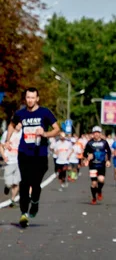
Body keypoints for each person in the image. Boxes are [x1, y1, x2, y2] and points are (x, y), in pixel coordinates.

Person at [5, 87, 61, 228]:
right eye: (28, 97)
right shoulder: (20, 113)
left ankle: (34, 203)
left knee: (35, 184)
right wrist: (7, 139)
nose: (30, 100)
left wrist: (45, 134)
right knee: (24, 183)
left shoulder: (45, 112)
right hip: (24, 153)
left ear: (37, 98)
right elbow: (11, 125)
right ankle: (24, 213)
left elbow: (57, 129)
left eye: (32, 97)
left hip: (40, 155)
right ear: (25, 98)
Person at [83, 126, 112, 205]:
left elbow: (108, 152)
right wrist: (87, 157)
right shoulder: (89, 143)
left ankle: (99, 191)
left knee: (101, 180)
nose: (96, 134)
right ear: (93, 134)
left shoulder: (104, 142)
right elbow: (85, 153)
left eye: (98, 133)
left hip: (101, 164)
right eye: (95, 133)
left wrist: (108, 160)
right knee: (94, 183)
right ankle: (94, 198)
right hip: (92, 165)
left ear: (100, 134)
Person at [1, 126, 22, 207]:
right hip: (9, 161)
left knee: (16, 183)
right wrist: (4, 156)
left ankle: (12, 199)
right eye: (18, 123)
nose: (20, 125)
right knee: (8, 183)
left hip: (19, 161)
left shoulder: (22, 133)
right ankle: (7, 187)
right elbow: (1, 146)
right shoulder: (7, 133)